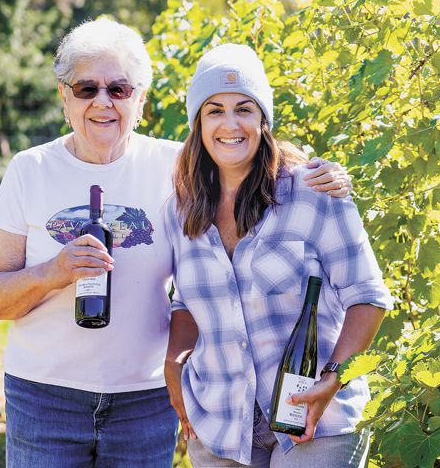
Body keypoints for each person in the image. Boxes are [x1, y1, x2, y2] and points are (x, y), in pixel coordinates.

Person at [0, 19, 352, 467]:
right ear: (64, 96)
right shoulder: (30, 170)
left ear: (141, 100)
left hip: (145, 401)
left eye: (118, 89)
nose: (102, 102)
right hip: (44, 396)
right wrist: (53, 272)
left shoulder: (177, 168)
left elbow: (247, 153)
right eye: (85, 88)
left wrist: (319, 173)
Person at [163, 43, 394, 467]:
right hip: (219, 424)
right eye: (214, 110)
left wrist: (334, 378)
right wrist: (173, 365)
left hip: (314, 417)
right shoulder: (180, 211)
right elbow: (185, 302)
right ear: (197, 123)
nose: (229, 124)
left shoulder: (313, 193)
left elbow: (368, 296)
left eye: (244, 109)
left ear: (263, 119)